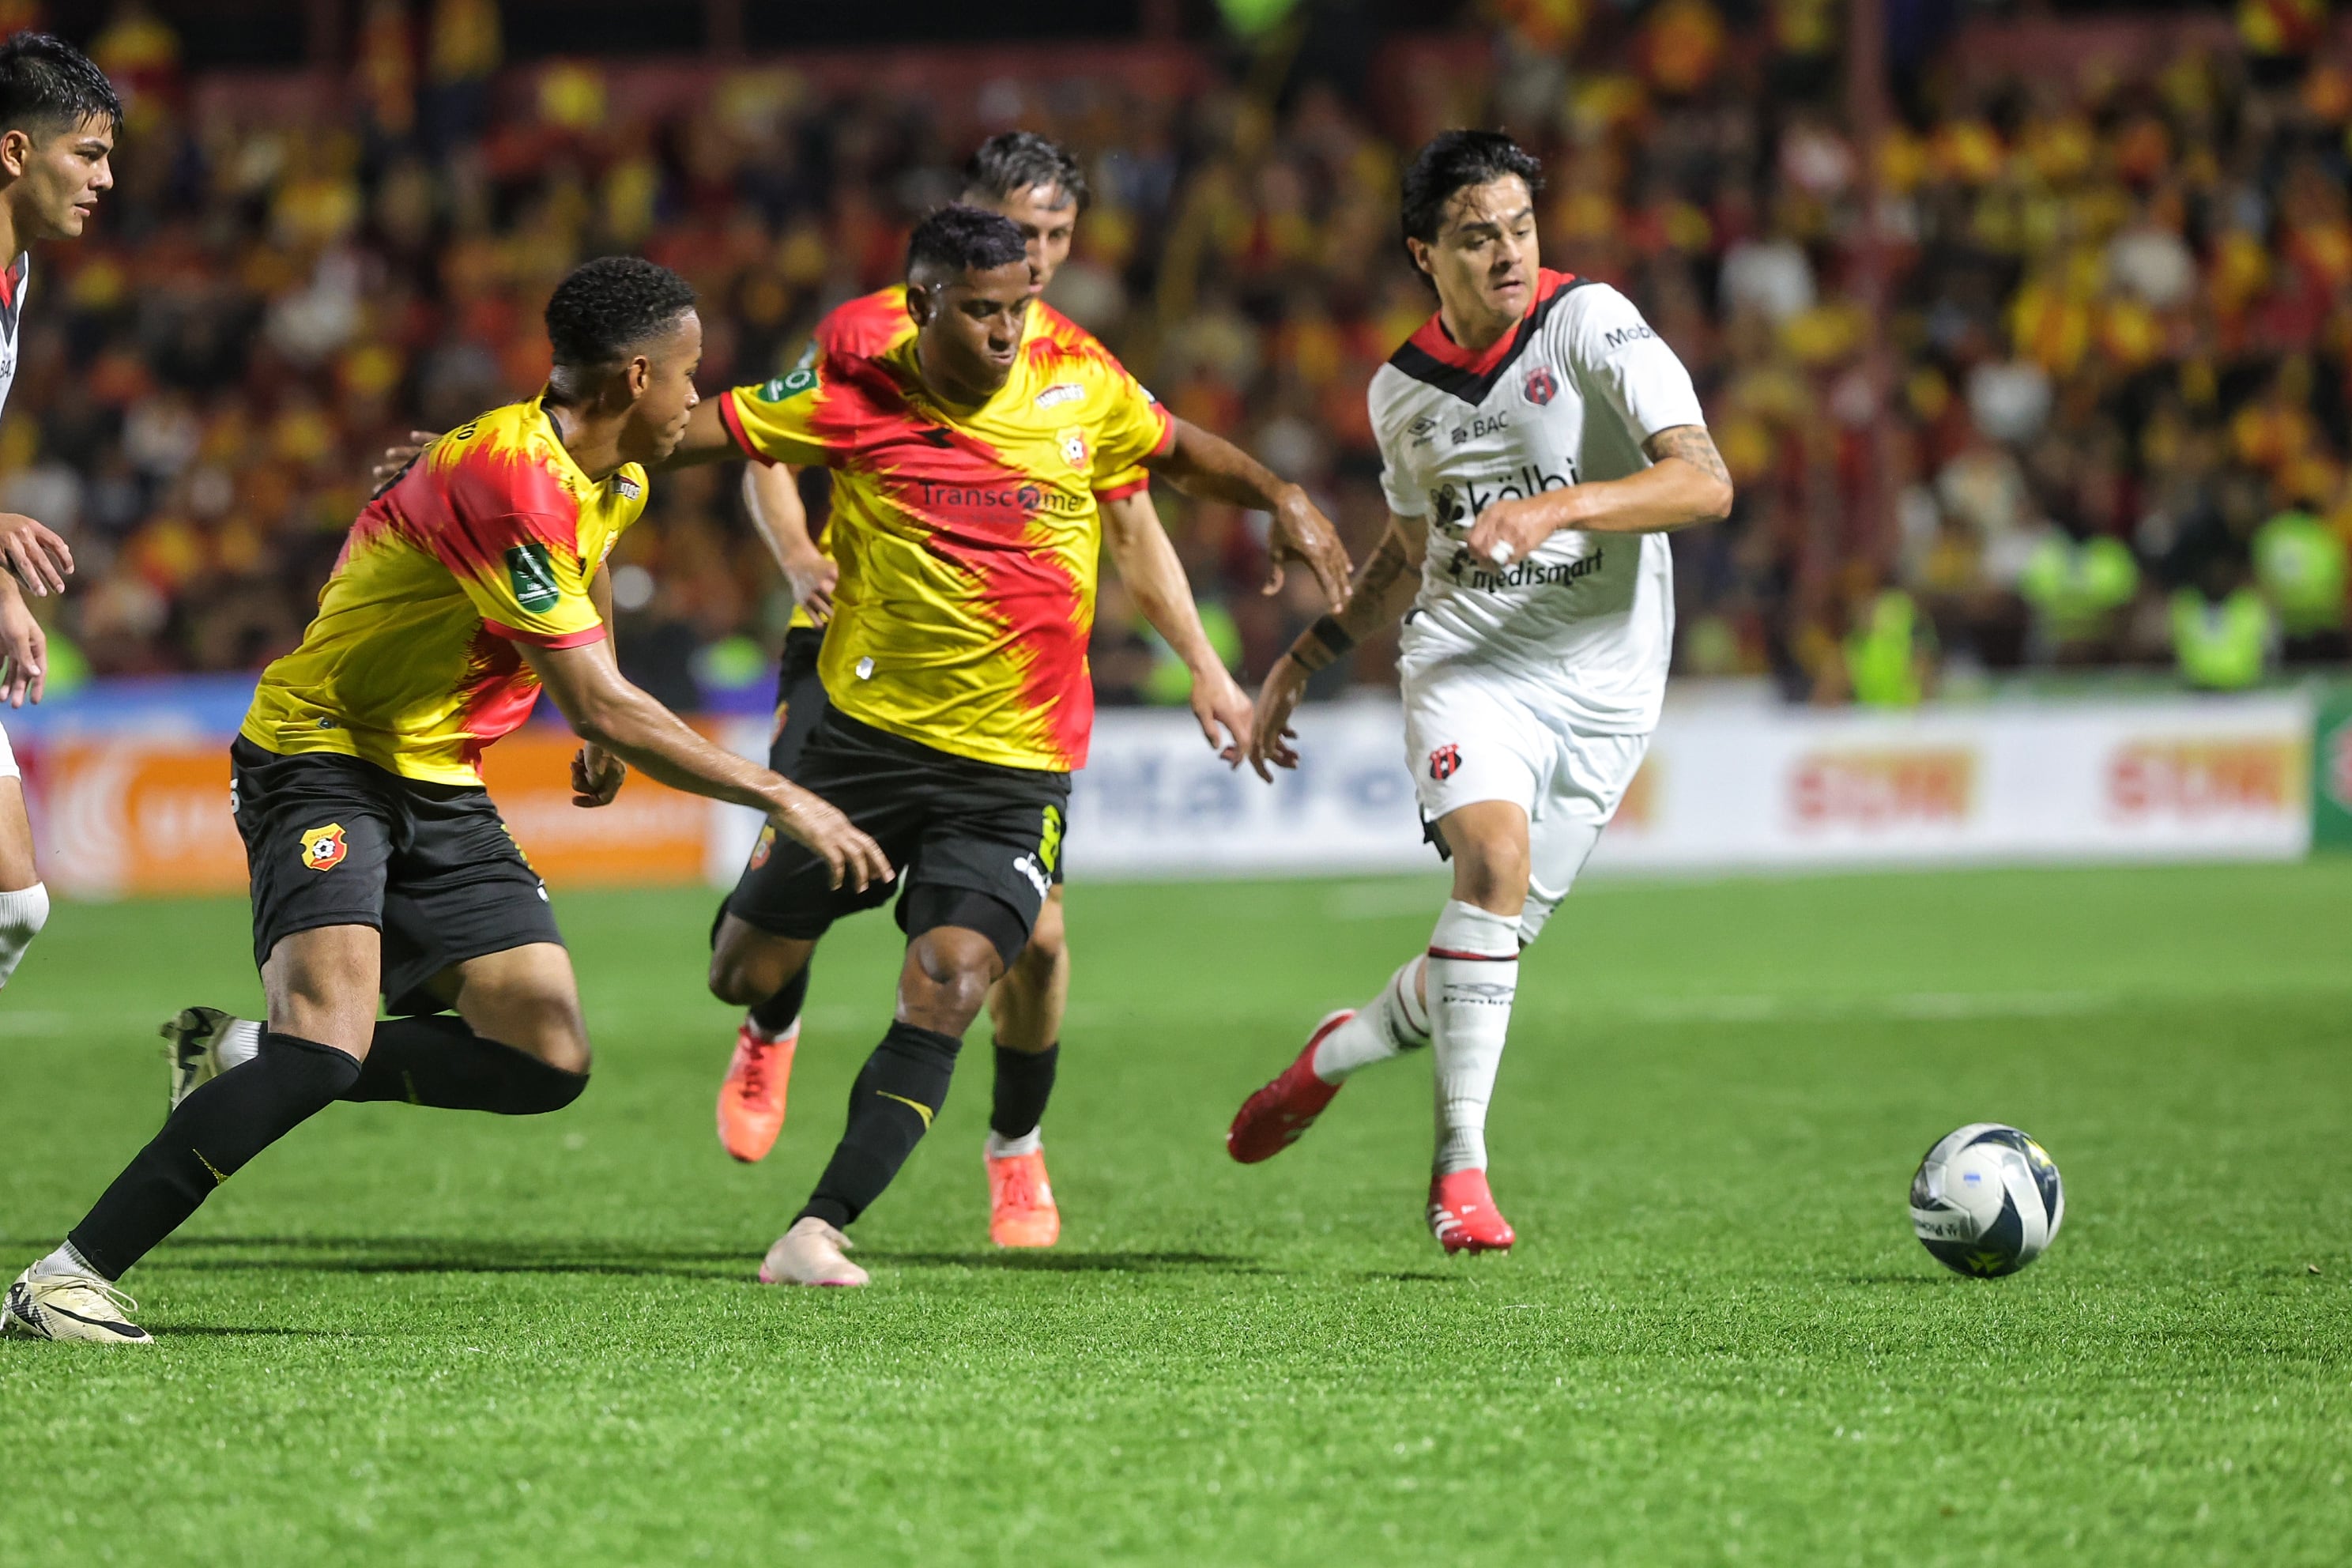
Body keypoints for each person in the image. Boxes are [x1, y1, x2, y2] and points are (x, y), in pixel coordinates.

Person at [1, 258, 888, 1344]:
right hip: (322, 755)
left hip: (439, 776)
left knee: (545, 1055)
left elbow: (589, 569)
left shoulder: (612, 472)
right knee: (324, 1046)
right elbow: (596, 696)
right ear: (634, 377)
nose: (695, 398)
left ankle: (235, 1055)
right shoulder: (509, 476)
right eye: (689, 375)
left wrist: (601, 694)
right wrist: (779, 793)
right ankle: (64, 1279)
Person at [662, 204, 1347, 1286]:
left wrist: (1279, 494)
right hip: (864, 743)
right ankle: (771, 1021)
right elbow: (683, 437)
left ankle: (819, 1227)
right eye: (982, 310)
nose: (1006, 332)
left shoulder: (1079, 379)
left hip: (1013, 763)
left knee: (955, 976)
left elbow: (1177, 455)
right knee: (740, 972)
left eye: (1018, 308)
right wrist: (501, 461)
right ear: (923, 303)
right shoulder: (855, 377)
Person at [1225, 130, 1732, 1254]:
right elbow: (1411, 554)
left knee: (1484, 949)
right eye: (1475, 237)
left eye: (1520, 228)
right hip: (1468, 662)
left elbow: (1706, 483)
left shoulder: (1591, 323)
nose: (1507, 254)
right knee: (1492, 866)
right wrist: (1307, 655)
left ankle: (1330, 1056)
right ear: (1425, 254)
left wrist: (1558, 507)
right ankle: (1461, 1169)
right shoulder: (1400, 394)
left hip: (1609, 687)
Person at [0, 34, 118, 989]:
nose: (104, 179)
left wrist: (3, 589)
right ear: (15, 151)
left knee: (13, 905)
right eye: (88, 154)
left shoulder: (17, 271)